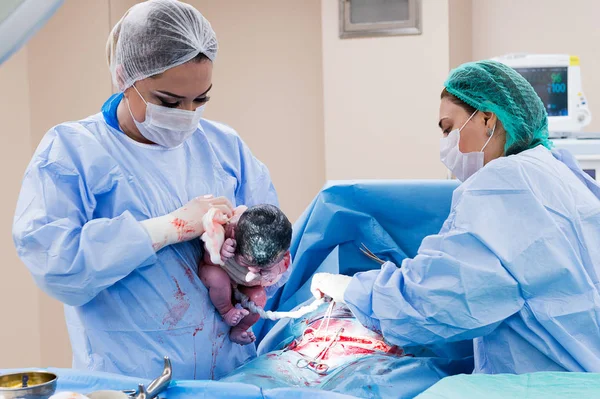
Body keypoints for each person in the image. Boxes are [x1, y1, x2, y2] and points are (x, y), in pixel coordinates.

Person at [12, 0, 281, 380]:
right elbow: (57, 267)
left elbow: (274, 251)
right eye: (168, 102)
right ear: (125, 78)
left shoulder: (224, 146)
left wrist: (251, 258)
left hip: (230, 379)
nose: (187, 114)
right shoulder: (72, 152)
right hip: (131, 382)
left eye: (200, 99)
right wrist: (167, 229)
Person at [311, 60, 600, 374]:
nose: (445, 144)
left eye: (448, 128)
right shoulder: (558, 169)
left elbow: (435, 302)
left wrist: (351, 290)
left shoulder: (501, 185)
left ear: (488, 119)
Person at [199, 204, 292, 345]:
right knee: (216, 278)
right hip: (221, 271)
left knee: (259, 299)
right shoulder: (230, 230)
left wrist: (272, 271)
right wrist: (221, 249)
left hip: (244, 284)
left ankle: (239, 329)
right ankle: (226, 311)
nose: (253, 269)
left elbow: (281, 269)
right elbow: (209, 239)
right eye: (247, 261)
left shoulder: (281, 258)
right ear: (234, 234)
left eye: (262, 267)